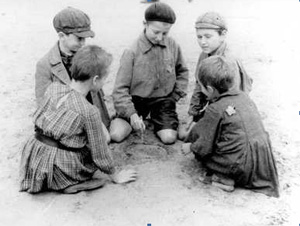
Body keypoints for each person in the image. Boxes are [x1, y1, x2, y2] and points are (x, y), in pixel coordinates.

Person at [20, 45, 137, 194]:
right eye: (104, 79)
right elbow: (100, 153)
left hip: (35, 154)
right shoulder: (89, 111)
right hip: (59, 164)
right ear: (95, 80)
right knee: (91, 155)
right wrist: (115, 175)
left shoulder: (54, 88)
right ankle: (68, 182)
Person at [181, 56, 279, 197]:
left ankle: (224, 178)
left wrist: (190, 146)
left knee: (203, 154)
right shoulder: (245, 97)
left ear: (209, 89)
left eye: (201, 87)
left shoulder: (215, 108)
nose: (201, 90)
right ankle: (230, 173)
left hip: (238, 166)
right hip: (261, 162)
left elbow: (204, 143)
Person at [111, 2, 189, 144]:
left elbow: (182, 72)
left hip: (163, 100)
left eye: (165, 33)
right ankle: (131, 118)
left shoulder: (173, 45)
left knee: (169, 138)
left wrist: (174, 97)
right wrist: (132, 114)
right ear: (145, 24)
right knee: (117, 134)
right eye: (155, 32)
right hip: (136, 101)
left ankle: (159, 119)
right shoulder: (131, 51)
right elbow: (119, 89)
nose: (160, 37)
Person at [35, 7, 111, 142]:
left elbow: (97, 89)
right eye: (79, 39)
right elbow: (43, 108)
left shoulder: (86, 55)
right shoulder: (45, 65)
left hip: (92, 115)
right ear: (62, 36)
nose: (83, 44)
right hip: (67, 127)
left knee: (106, 139)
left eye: (85, 39)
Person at [179, 12, 253, 140]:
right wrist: (193, 113)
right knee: (184, 134)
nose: (203, 42)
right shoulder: (204, 54)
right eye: (199, 37)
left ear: (223, 35)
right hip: (215, 105)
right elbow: (199, 85)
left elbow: (234, 99)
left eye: (208, 37)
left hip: (231, 111)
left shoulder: (229, 61)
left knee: (198, 138)